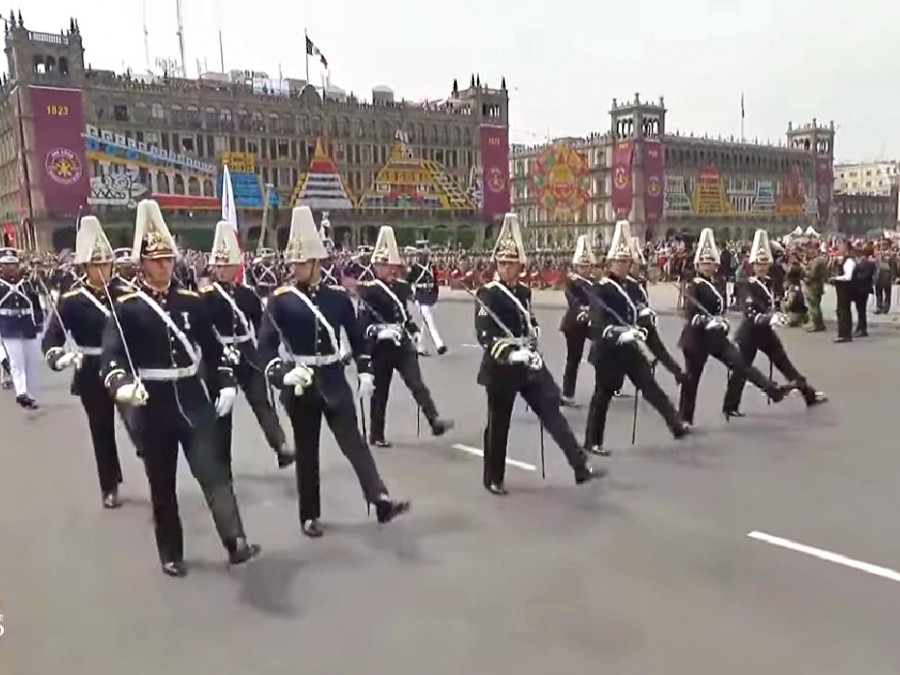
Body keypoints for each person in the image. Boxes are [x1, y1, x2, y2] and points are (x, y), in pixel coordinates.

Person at [101, 199, 259, 577]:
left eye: (169, 259)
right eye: (156, 260)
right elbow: (112, 357)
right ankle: (170, 552)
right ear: (141, 263)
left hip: (192, 397)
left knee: (213, 470)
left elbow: (213, 347)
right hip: (152, 404)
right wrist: (121, 384)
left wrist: (225, 381)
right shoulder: (125, 307)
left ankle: (234, 540)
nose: (164, 266)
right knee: (163, 485)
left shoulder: (190, 301)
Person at [258, 206, 410, 537]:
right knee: (308, 451)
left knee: (354, 443)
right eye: (294, 262)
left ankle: (379, 498)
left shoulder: (337, 298)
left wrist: (366, 371)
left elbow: (356, 338)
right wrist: (282, 373)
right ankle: (309, 515)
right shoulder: (280, 300)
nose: (296, 267)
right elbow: (265, 349)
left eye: (303, 262)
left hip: (333, 378)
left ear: (317, 262)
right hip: (301, 383)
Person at [474, 213, 599, 494]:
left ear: (520, 265)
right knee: (499, 423)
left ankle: (579, 465)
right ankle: (493, 477)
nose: (505, 268)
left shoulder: (523, 291)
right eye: (502, 263)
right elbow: (484, 334)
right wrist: (511, 353)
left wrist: (534, 333)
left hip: (528, 363)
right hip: (501, 366)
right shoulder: (488, 293)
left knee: (552, 411)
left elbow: (528, 320)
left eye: (511, 263)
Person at [42, 216, 133, 508]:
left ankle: (154, 470)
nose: (103, 270)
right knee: (101, 428)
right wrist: (60, 356)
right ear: (84, 267)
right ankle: (109, 485)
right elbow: (51, 338)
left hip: (123, 367)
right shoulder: (71, 299)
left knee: (139, 424)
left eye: (106, 263)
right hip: (91, 369)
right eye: (96, 264)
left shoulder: (126, 293)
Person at [583, 220, 689, 456]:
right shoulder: (601, 287)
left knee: (650, 387)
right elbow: (599, 322)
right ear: (611, 262)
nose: (622, 265)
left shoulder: (633, 287)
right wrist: (620, 333)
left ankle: (675, 424)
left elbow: (645, 325)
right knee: (603, 396)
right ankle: (592, 441)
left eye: (625, 261)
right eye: (618, 261)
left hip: (630, 349)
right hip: (609, 350)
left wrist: (645, 316)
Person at [199, 221, 295, 471]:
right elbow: (200, 331)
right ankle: (223, 463)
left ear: (236, 266)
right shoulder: (204, 297)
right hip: (218, 355)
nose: (222, 271)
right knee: (222, 410)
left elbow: (262, 325)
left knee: (261, 400)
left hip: (246, 352)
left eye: (226, 265)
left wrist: (265, 352)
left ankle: (280, 445)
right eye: (218, 266)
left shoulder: (247, 295)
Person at [676, 228, 792, 425]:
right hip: (696, 338)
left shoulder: (719, 282)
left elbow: (721, 307)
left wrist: (721, 321)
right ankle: (684, 417)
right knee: (692, 378)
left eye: (711, 262)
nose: (708, 265)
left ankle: (772, 390)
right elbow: (690, 315)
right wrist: (708, 321)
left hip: (716, 338)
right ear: (698, 264)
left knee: (740, 364)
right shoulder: (694, 285)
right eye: (704, 262)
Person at [356, 226, 454, 447]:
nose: (388, 269)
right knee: (380, 392)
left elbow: (404, 314)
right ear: (376, 266)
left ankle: (434, 420)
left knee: (416, 382)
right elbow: (362, 323)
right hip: (380, 347)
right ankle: (376, 434)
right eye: (383, 265)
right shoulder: (368, 290)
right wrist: (379, 331)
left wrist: (414, 330)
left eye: (391, 265)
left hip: (401, 344)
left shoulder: (401, 287)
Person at [722, 229, 828, 415]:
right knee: (742, 370)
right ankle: (730, 406)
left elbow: (776, 302)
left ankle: (809, 395)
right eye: (758, 263)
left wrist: (778, 315)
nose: (762, 266)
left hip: (766, 332)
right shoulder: (748, 285)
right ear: (752, 265)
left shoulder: (770, 282)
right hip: (749, 334)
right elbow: (749, 311)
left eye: (765, 262)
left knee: (785, 364)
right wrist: (769, 317)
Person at [628, 235, 687, 385]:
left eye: (639, 266)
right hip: (629, 323)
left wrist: (646, 311)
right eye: (635, 265)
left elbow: (643, 300)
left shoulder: (639, 281)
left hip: (644, 321)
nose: (638, 268)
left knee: (659, 348)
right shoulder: (624, 284)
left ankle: (677, 372)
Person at [0, 246, 44, 409]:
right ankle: (21, 392)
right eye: (7, 265)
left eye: (14, 264)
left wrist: (39, 322)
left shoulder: (26, 283)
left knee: (31, 362)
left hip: (27, 324)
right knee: (16, 361)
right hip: (8, 326)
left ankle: (30, 395)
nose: (12, 268)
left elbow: (35, 303)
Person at [558, 235, 596, 407]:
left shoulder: (594, 282)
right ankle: (567, 394)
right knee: (573, 358)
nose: (584, 269)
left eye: (587, 266)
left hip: (591, 322)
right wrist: (583, 309)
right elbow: (572, 300)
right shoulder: (571, 282)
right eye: (581, 266)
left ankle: (612, 383)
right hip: (574, 324)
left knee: (608, 346)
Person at [406, 240, 446, 355]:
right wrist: (412, 296)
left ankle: (420, 347)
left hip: (431, 298)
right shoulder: (414, 268)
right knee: (430, 322)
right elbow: (407, 283)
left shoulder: (432, 267)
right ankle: (439, 344)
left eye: (426, 255)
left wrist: (436, 295)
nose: (425, 257)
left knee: (425, 324)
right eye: (423, 255)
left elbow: (435, 282)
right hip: (421, 297)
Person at [829, 240, 856, 343]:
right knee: (841, 310)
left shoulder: (849, 261)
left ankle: (845, 334)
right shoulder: (843, 260)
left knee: (844, 311)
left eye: (841, 247)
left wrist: (836, 278)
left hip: (845, 289)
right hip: (841, 290)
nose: (839, 249)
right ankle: (842, 333)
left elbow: (848, 277)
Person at [803, 242, 829, 332]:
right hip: (814, 285)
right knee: (813, 306)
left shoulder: (818, 261)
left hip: (814, 286)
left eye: (810, 249)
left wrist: (804, 270)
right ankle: (817, 323)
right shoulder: (816, 260)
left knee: (814, 306)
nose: (808, 251)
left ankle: (818, 324)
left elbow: (812, 274)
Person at [851, 243, 875, 336]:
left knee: (861, 310)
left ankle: (862, 329)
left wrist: (855, 270)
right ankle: (860, 327)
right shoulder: (866, 261)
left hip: (862, 287)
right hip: (863, 287)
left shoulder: (865, 262)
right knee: (860, 309)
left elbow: (862, 275)